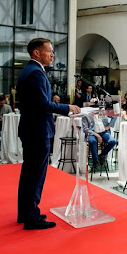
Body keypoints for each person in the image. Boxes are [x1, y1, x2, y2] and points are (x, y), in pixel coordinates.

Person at [16, 38, 80, 230]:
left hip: (31, 129)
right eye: (49, 51)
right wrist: (67, 107)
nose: (52, 54)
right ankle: (32, 217)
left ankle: (26, 212)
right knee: (35, 175)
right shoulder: (35, 73)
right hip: (37, 130)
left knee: (29, 174)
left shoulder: (30, 71)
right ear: (37, 53)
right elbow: (43, 105)